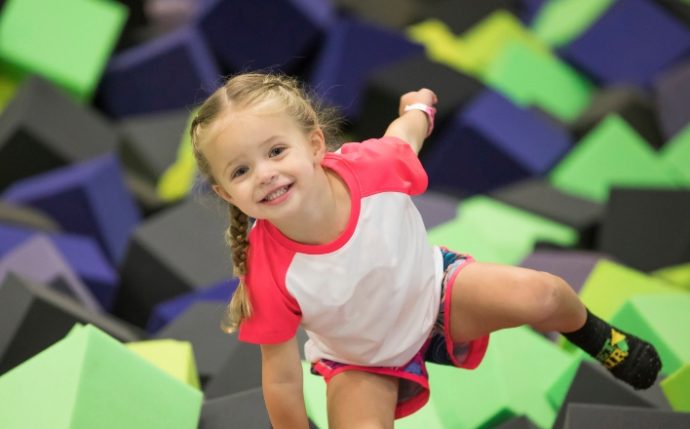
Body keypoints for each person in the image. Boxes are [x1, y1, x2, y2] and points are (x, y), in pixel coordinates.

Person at [190, 72, 661, 429]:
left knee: (546, 295)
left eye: (276, 151)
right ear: (227, 194)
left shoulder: (372, 169)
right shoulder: (266, 267)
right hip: (362, 361)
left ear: (314, 143)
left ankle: (599, 338)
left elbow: (406, 135)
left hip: (437, 294)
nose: (265, 174)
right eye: (241, 171)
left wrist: (419, 107)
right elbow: (280, 379)